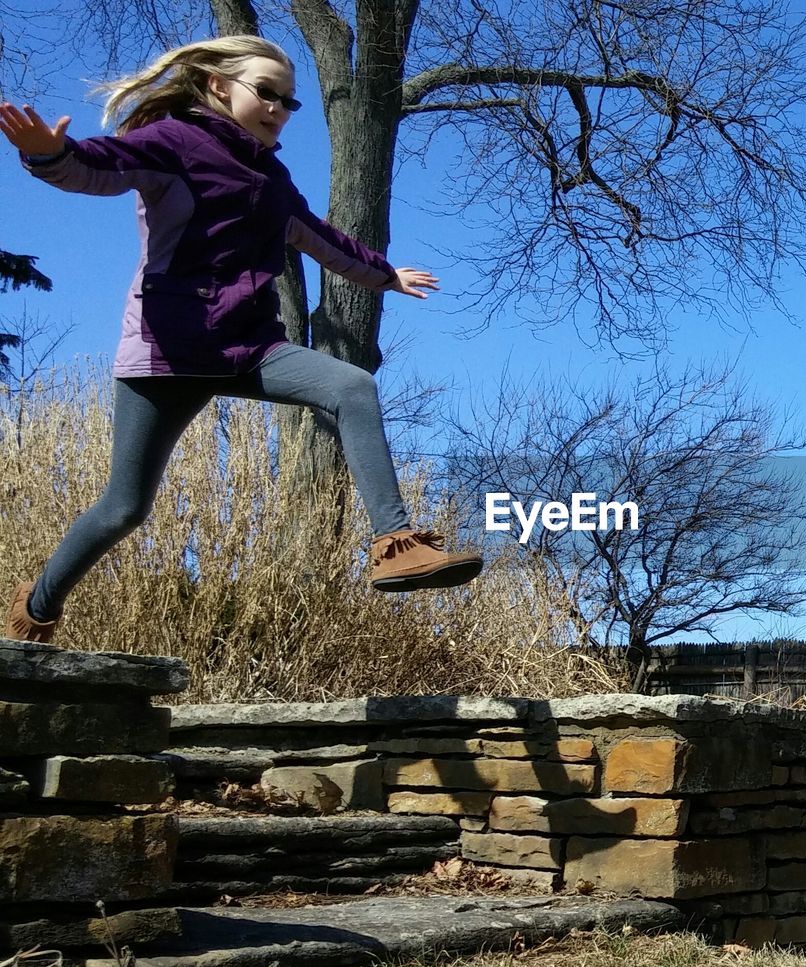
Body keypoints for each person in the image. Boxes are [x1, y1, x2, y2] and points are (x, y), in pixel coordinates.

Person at [1, 35, 482, 645]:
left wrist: (385, 274)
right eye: (266, 93)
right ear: (217, 86)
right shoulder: (175, 142)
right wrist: (50, 157)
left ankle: (395, 543)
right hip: (167, 352)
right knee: (125, 507)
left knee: (351, 385)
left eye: (289, 101)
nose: (279, 107)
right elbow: (102, 166)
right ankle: (40, 604)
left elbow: (321, 237)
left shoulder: (272, 178)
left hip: (251, 347)